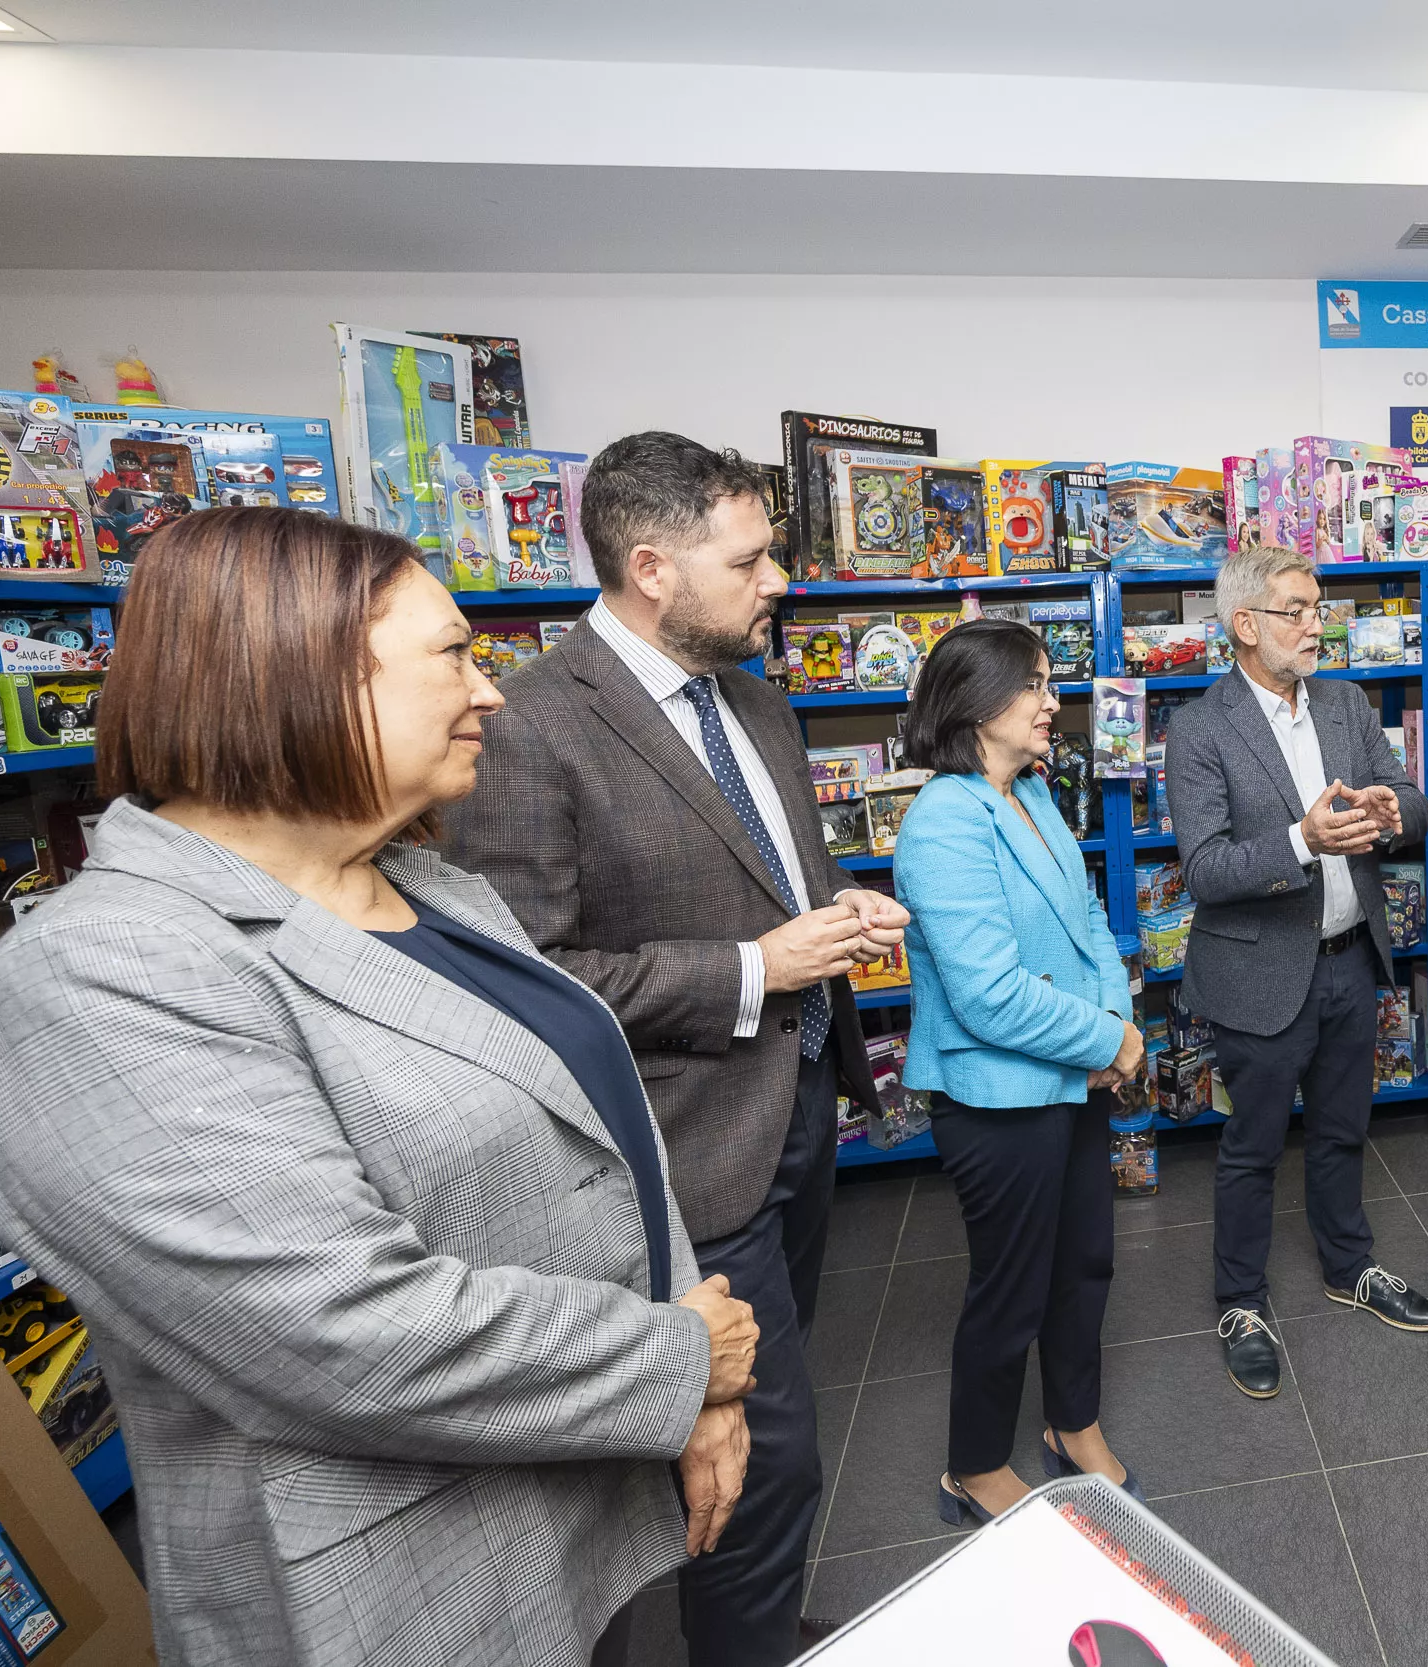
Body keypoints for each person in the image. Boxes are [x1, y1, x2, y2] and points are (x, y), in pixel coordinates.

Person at [0, 507, 761, 1667]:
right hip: (409, 1593)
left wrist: (696, 1395)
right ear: (295, 672)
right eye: (452, 654)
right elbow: (341, 1327)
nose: (491, 693)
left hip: (587, 1504)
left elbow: (602, 1142)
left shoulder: (430, 887)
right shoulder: (104, 972)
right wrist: (674, 1362)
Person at [446, 433, 907, 1666]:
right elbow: (532, 983)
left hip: (796, 1106)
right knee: (767, 1446)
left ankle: (739, 1619)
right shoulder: (530, 727)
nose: (779, 583)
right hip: (677, 1145)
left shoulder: (754, 696)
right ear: (651, 566)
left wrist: (840, 909)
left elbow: (771, 882)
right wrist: (761, 967)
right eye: (751, 558)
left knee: (762, 1416)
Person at [889, 619, 1144, 1524]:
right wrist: (1108, 1043)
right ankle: (976, 1460)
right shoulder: (941, 822)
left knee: (1085, 1261)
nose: (1053, 702)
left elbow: (1085, 921)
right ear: (974, 701)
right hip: (996, 1096)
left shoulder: (1032, 794)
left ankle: (1071, 1421)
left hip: (1070, 1077)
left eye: (1050, 683)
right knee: (1012, 1285)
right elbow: (989, 995)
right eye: (1034, 684)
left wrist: (1115, 1018)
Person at [1171, 543, 1428, 1401]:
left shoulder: (1347, 703)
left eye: (1318, 607)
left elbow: (1410, 794)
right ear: (1246, 626)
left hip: (1349, 961)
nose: (1316, 624)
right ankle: (1241, 1302)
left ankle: (1348, 1265)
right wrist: (1301, 841)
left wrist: (1399, 810)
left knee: (1341, 1130)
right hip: (1258, 974)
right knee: (1251, 1150)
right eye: (1297, 610)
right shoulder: (1201, 727)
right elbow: (1205, 870)